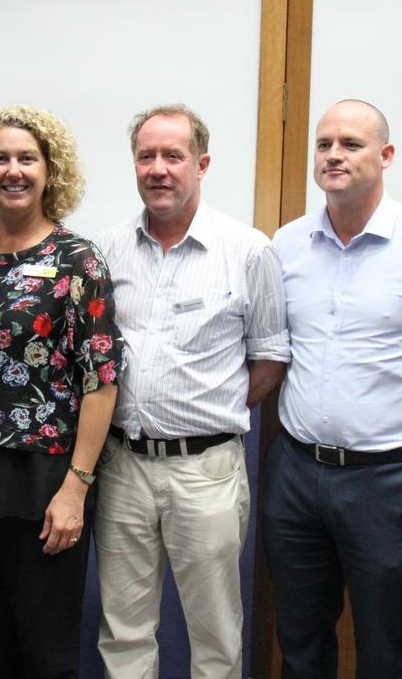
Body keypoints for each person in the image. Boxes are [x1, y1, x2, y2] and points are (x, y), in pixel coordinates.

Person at [262, 99, 402, 677]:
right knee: (299, 638)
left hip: (388, 482)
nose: (334, 155)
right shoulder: (286, 246)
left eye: (351, 144)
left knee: (384, 645)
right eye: (324, 144)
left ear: (386, 155)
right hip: (294, 473)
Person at [93, 104, 290, 679]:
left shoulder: (248, 250)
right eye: (146, 156)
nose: (158, 169)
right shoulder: (105, 251)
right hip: (121, 465)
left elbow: (272, 356)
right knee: (123, 628)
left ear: (201, 164)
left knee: (216, 632)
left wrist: (213, 408)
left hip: (206, 470)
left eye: (173, 156)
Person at [0, 106, 126, 678]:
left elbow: (101, 381)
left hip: (46, 483)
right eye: (0, 158)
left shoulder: (78, 260)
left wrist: (76, 489)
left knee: (45, 653)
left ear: (49, 170)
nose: (13, 171)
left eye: (26, 158)